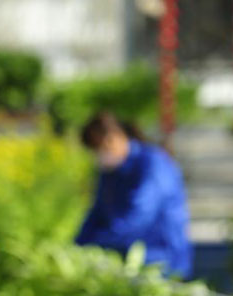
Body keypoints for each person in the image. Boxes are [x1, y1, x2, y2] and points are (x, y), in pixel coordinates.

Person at [75, 111, 193, 279]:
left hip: (162, 261)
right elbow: (97, 212)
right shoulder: (110, 172)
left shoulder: (153, 164)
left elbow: (138, 218)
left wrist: (94, 244)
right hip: (128, 262)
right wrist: (77, 245)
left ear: (112, 139)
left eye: (99, 149)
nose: (98, 156)